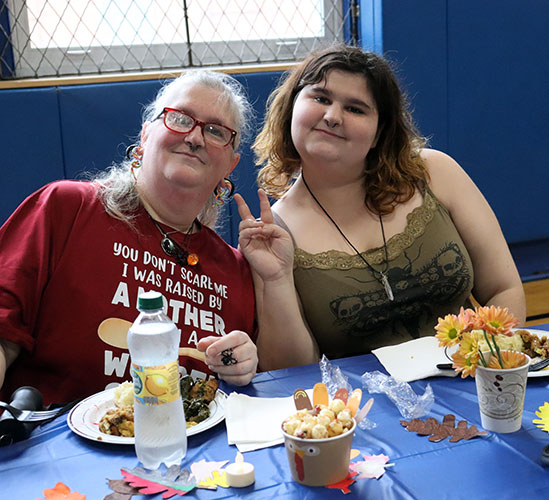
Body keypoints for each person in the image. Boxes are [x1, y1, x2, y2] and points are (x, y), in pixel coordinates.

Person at [236, 45, 526, 371]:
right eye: (320, 98)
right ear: (291, 109)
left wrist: (496, 375)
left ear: (379, 134)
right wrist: (275, 282)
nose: (332, 116)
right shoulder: (273, 232)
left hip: (474, 380)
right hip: (366, 410)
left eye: (356, 109)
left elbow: (505, 289)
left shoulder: (434, 173)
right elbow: (291, 370)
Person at [0, 69, 258, 405]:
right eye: (180, 119)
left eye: (215, 131)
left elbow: (242, 382)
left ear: (231, 165)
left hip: (188, 449)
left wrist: (243, 363)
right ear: (146, 135)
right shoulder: (66, 209)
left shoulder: (235, 270)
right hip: (52, 446)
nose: (195, 138)